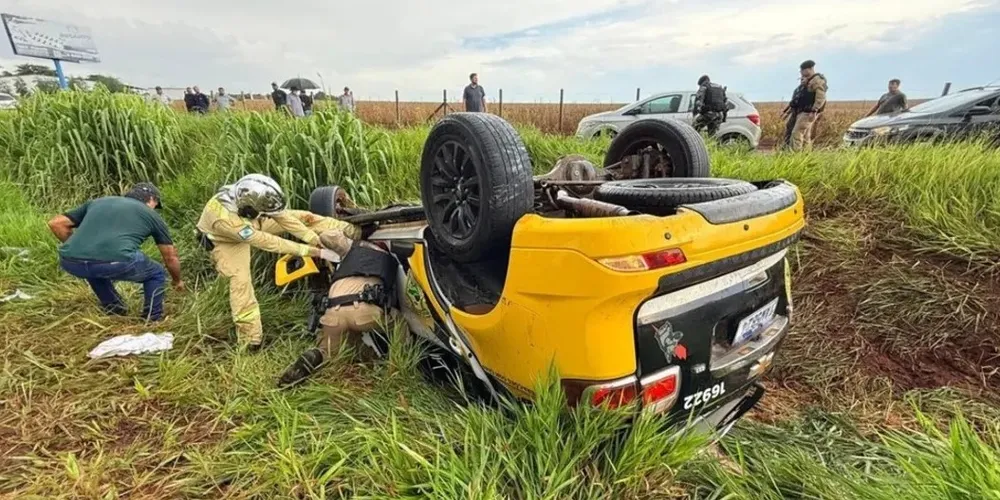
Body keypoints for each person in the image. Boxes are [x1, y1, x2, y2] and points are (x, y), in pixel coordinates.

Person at [195, 174, 355, 348]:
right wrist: (316, 251)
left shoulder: (251, 194)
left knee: (306, 217)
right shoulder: (225, 220)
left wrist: (314, 238)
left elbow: (285, 219)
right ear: (249, 208)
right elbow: (269, 242)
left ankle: (352, 229)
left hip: (253, 222)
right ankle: (251, 341)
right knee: (240, 283)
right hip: (228, 240)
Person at [277, 229, 403, 387]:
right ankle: (398, 370)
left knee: (329, 352)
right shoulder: (387, 259)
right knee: (399, 324)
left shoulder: (351, 250)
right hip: (363, 312)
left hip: (332, 313)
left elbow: (326, 235)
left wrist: (344, 229)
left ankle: (312, 357)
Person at [48, 183, 184, 322]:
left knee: (95, 269)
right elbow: (170, 258)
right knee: (156, 273)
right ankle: (152, 319)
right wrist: (177, 281)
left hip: (70, 262)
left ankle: (115, 310)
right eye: (156, 204)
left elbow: (56, 223)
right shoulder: (152, 215)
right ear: (151, 199)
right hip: (118, 261)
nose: (155, 208)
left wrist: (77, 247)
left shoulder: (99, 202)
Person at [791, 60, 828, 151]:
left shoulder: (817, 80)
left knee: (796, 133)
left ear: (810, 69)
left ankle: (795, 155)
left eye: (803, 70)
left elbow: (820, 97)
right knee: (806, 135)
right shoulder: (808, 80)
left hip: (808, 112)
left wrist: (814, 110)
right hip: (804, 111)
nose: (802, 72)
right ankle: (806, 155)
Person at [780, 76, 808, 149]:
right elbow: (793, 103)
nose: (802, 81)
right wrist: (786, 112)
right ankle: (786, 146)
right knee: (789, 127)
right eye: (801, 79)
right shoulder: (798, 90)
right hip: (795, 112)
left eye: (804, 79)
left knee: (801, 133)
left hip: (804, 113)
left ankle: (803, 150)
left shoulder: (809, 90)